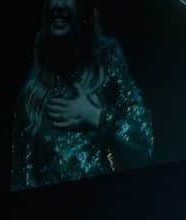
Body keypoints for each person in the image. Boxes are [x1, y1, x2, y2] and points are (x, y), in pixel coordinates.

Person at [12, 0, 153, 191]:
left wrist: (95, 116)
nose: (58, 5)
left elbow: (143, 143)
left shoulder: (107, 64)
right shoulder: (32, 94)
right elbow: (22, 181)